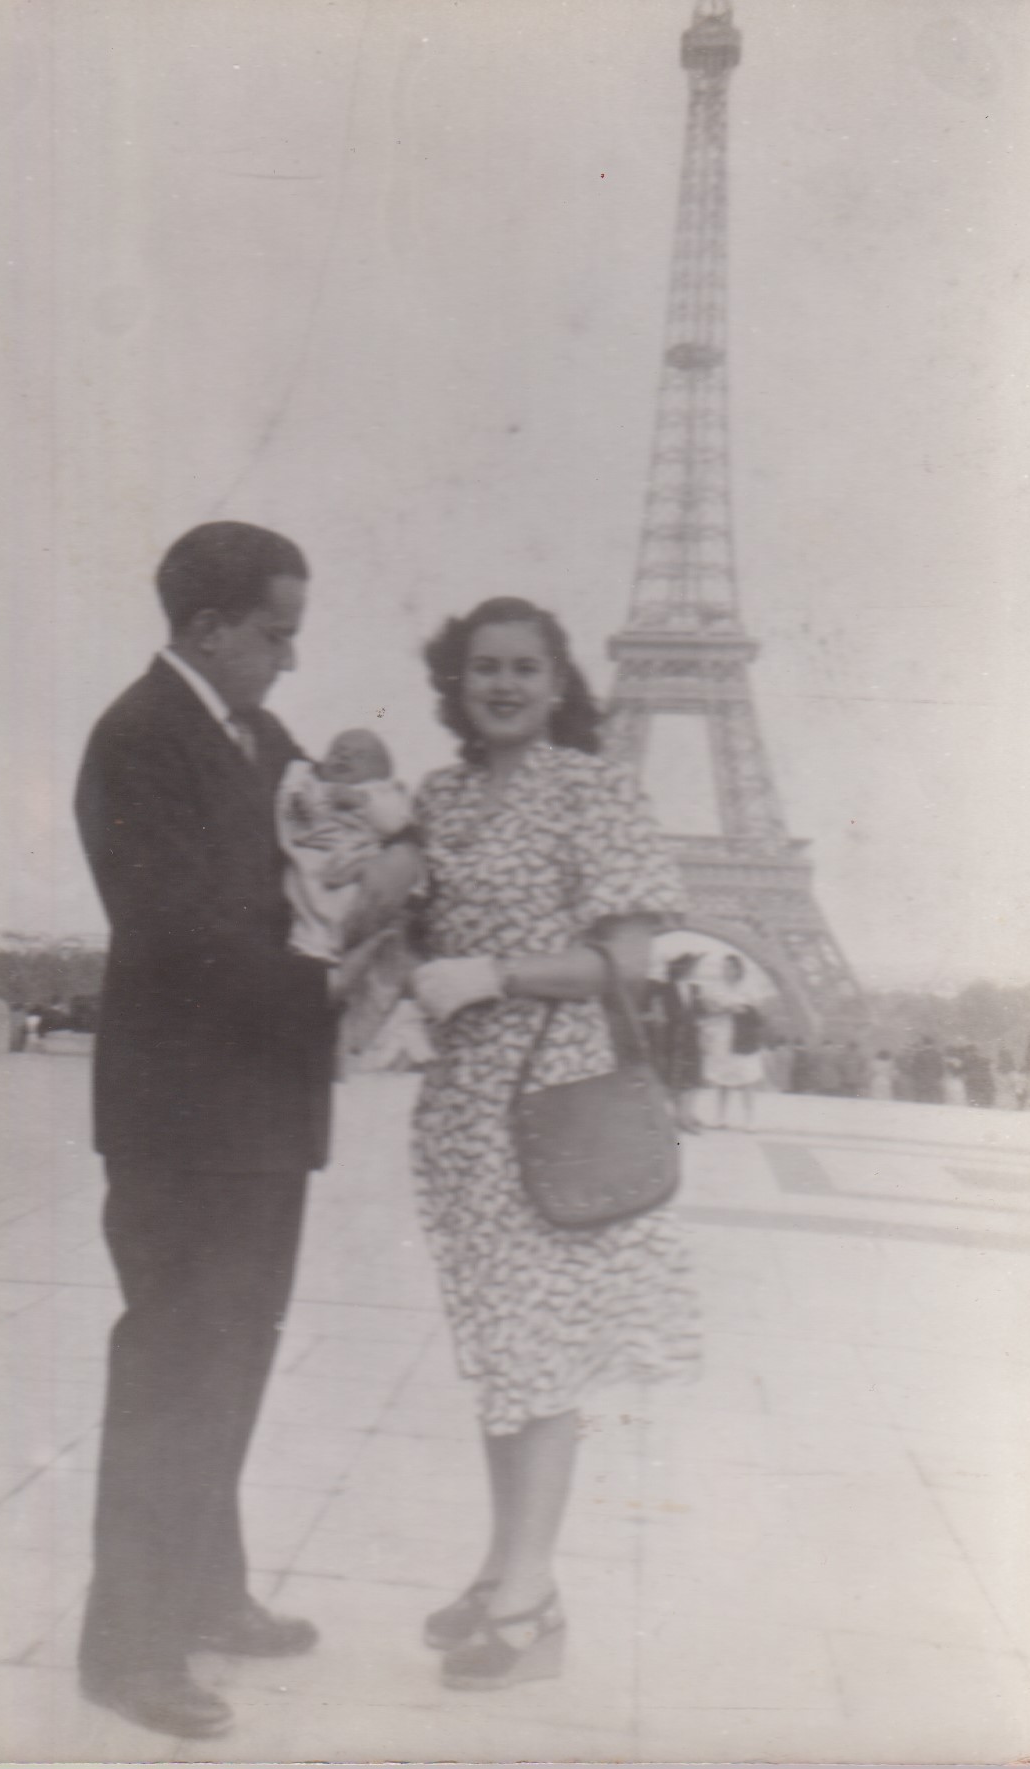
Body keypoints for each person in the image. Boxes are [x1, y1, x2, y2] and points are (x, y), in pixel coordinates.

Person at [73, 521, 415, 1739]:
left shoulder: (259, 738)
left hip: (262, 1109)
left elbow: (338, 839)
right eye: (278, 633)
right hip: (183, 1119)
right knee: (174, 1367)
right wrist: (331, 982)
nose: (291, 658)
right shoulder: (135, 739)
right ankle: (127, 1646)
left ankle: (206, 1590)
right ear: (209, 626)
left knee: (234, 1356)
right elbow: (177, 935)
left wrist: (398, 857)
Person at [409, 597, 698, 1693]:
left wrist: (494, 973)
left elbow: (624, 961)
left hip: (552, 1100)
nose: (503, 684)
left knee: (538, 1350)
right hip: (464, 1112)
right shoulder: (439, 798)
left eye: (525, 667)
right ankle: (505, 1569)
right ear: (457, 679)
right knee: (502, 1349)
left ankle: (530, 1604)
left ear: (558, 681)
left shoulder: (593, 788)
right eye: (484, 666)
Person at [276, 727, 412, 963]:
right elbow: (287, 805)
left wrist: (362, 801)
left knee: (353, 904)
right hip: (312, 857)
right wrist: (298, 798)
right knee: (303, 891)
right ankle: (312, 944)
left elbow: (393, 823)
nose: (345, 757)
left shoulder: (380, 791)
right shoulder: (310, 780)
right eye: (337, 751)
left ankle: (345, 945)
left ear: (381, 773)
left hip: (355, 859)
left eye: (359, 756)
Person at [696, 953, 764, 1129]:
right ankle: (720, 1117)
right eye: (724, 967)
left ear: (738, 969)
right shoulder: (715, 987)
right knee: (722, 1078)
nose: (725, 971)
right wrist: (725, 1009)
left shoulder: (749, 987)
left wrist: (742, 1009)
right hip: (722, 1036)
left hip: (743, 1037)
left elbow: (758, 1014)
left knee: (746, 1078)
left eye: (729, 967)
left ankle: (750, 1119)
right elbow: (707, 1008)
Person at [649, 954, 704, 1131]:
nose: (693, 970)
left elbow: (698, 1012)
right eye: (691, 966)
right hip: (672, 1038)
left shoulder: (695, 989)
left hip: (691, 1038)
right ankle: (680, 1116)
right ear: (681, 968)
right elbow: (662, 1013)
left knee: (692, 1077)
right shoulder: (665, 989)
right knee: (674, 1077)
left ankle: (686, 1114)